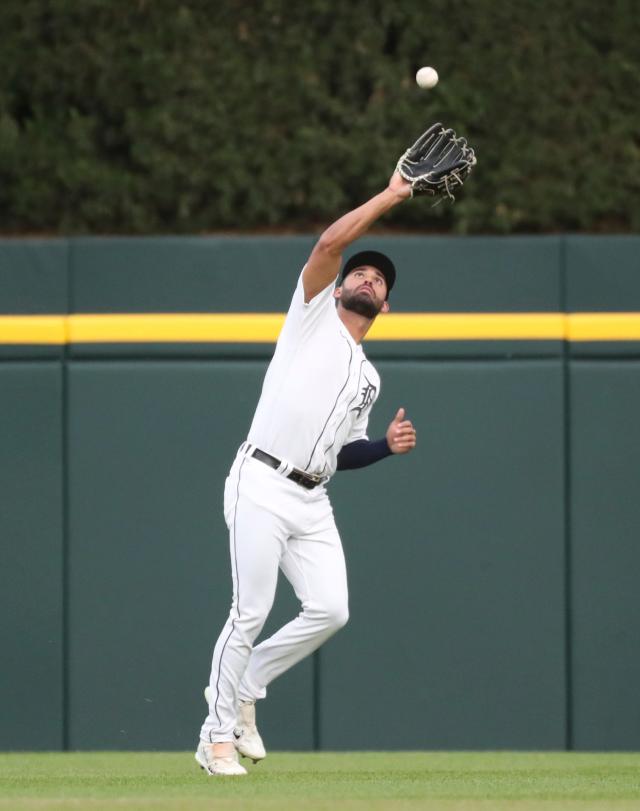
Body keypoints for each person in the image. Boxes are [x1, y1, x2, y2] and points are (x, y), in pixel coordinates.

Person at [196, 168, 417, 776]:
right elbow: (328, 245)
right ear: (341, 286)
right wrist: (392, 195)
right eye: (361, 273)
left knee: (331, 608)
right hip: (261, 480)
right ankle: (214, 736)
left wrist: (385, 449)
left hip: (312, 499)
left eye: (379, 280)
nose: (368, 279)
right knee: (250, 611)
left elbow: (345, 451)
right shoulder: (312, 314)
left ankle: (247, 686)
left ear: (386, 305)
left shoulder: (368, 377)